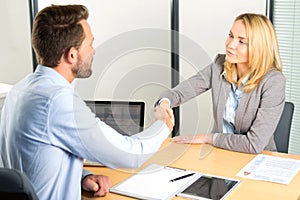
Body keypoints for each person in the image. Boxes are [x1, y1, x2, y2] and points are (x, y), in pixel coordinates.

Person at [0, 4, 174, 200]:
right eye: (90, 44)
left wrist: (82, 176)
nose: (94, 51)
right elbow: (130, 154)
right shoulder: (57, 101)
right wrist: (162, 125)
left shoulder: (20, 89)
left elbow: (31, 161)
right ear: (72, 55)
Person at [156, 13, 285, 154]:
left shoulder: (273, 81)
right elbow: (179, 93)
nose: (230, 44)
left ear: (259, 48)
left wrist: (208, 138)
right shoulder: (219, 65)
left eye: (242, 41)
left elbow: (253, 144)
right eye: (231, 35)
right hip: (221, 156)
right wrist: (164, 103)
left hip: (257, 162)